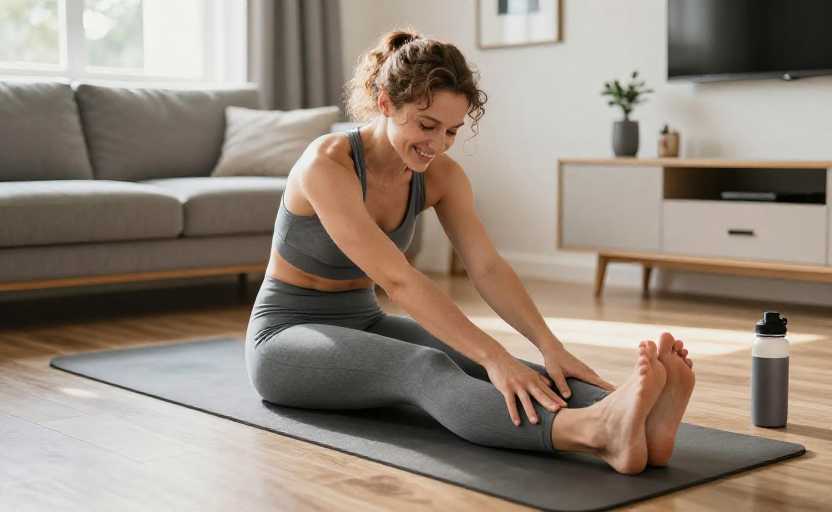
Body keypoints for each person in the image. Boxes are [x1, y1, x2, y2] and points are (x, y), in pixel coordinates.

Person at [244, 29, 696, 475]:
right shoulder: (327, 164)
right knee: (426, 367)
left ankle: (639, 416)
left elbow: (486, 267)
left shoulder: (442, 176)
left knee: (506, 366)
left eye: (452, 131)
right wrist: (493, 356)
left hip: (366, 322)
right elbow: (399, 280)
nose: (438, 144)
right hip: (285, 336)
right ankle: (593, 431)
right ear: (385, 104)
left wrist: (550, 346)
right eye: (427, 126)